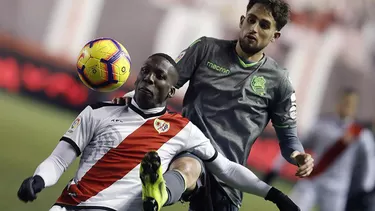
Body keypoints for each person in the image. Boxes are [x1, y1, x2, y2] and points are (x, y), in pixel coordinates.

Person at [17, 53, 300, 211]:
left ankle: (158, 191)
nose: (150, 78)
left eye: (160, 76)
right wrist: (39, 179)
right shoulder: (96, 112)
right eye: (145, 71)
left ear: (172, 90)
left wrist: (274, 195)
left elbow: (226, 169)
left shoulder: (183, 129)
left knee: (195, 166)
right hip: (68, 206)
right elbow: (59, 160)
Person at [112, 0, 314, 210]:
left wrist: (298, 156)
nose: (254, 28)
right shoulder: (206, 49)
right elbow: (163, 85)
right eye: (251, 20)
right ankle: (157, 195)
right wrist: (132, 97)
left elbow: (289, 138)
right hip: (191, 151)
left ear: (275, 36)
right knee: (188, 167)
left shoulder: (279, 82)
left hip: (229, 178)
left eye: (264, 25)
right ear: (242, 21)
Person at [264, 89, 375, 211]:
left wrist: (365, 189)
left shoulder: (361, 135)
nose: (347, 106)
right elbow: (295, 145)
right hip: (313, 181)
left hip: (337, 188)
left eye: (351, 104)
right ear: (339, 103)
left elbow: (369, 164)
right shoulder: (322, 125)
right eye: (345, 102)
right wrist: (276, 168)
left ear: (355, 107)